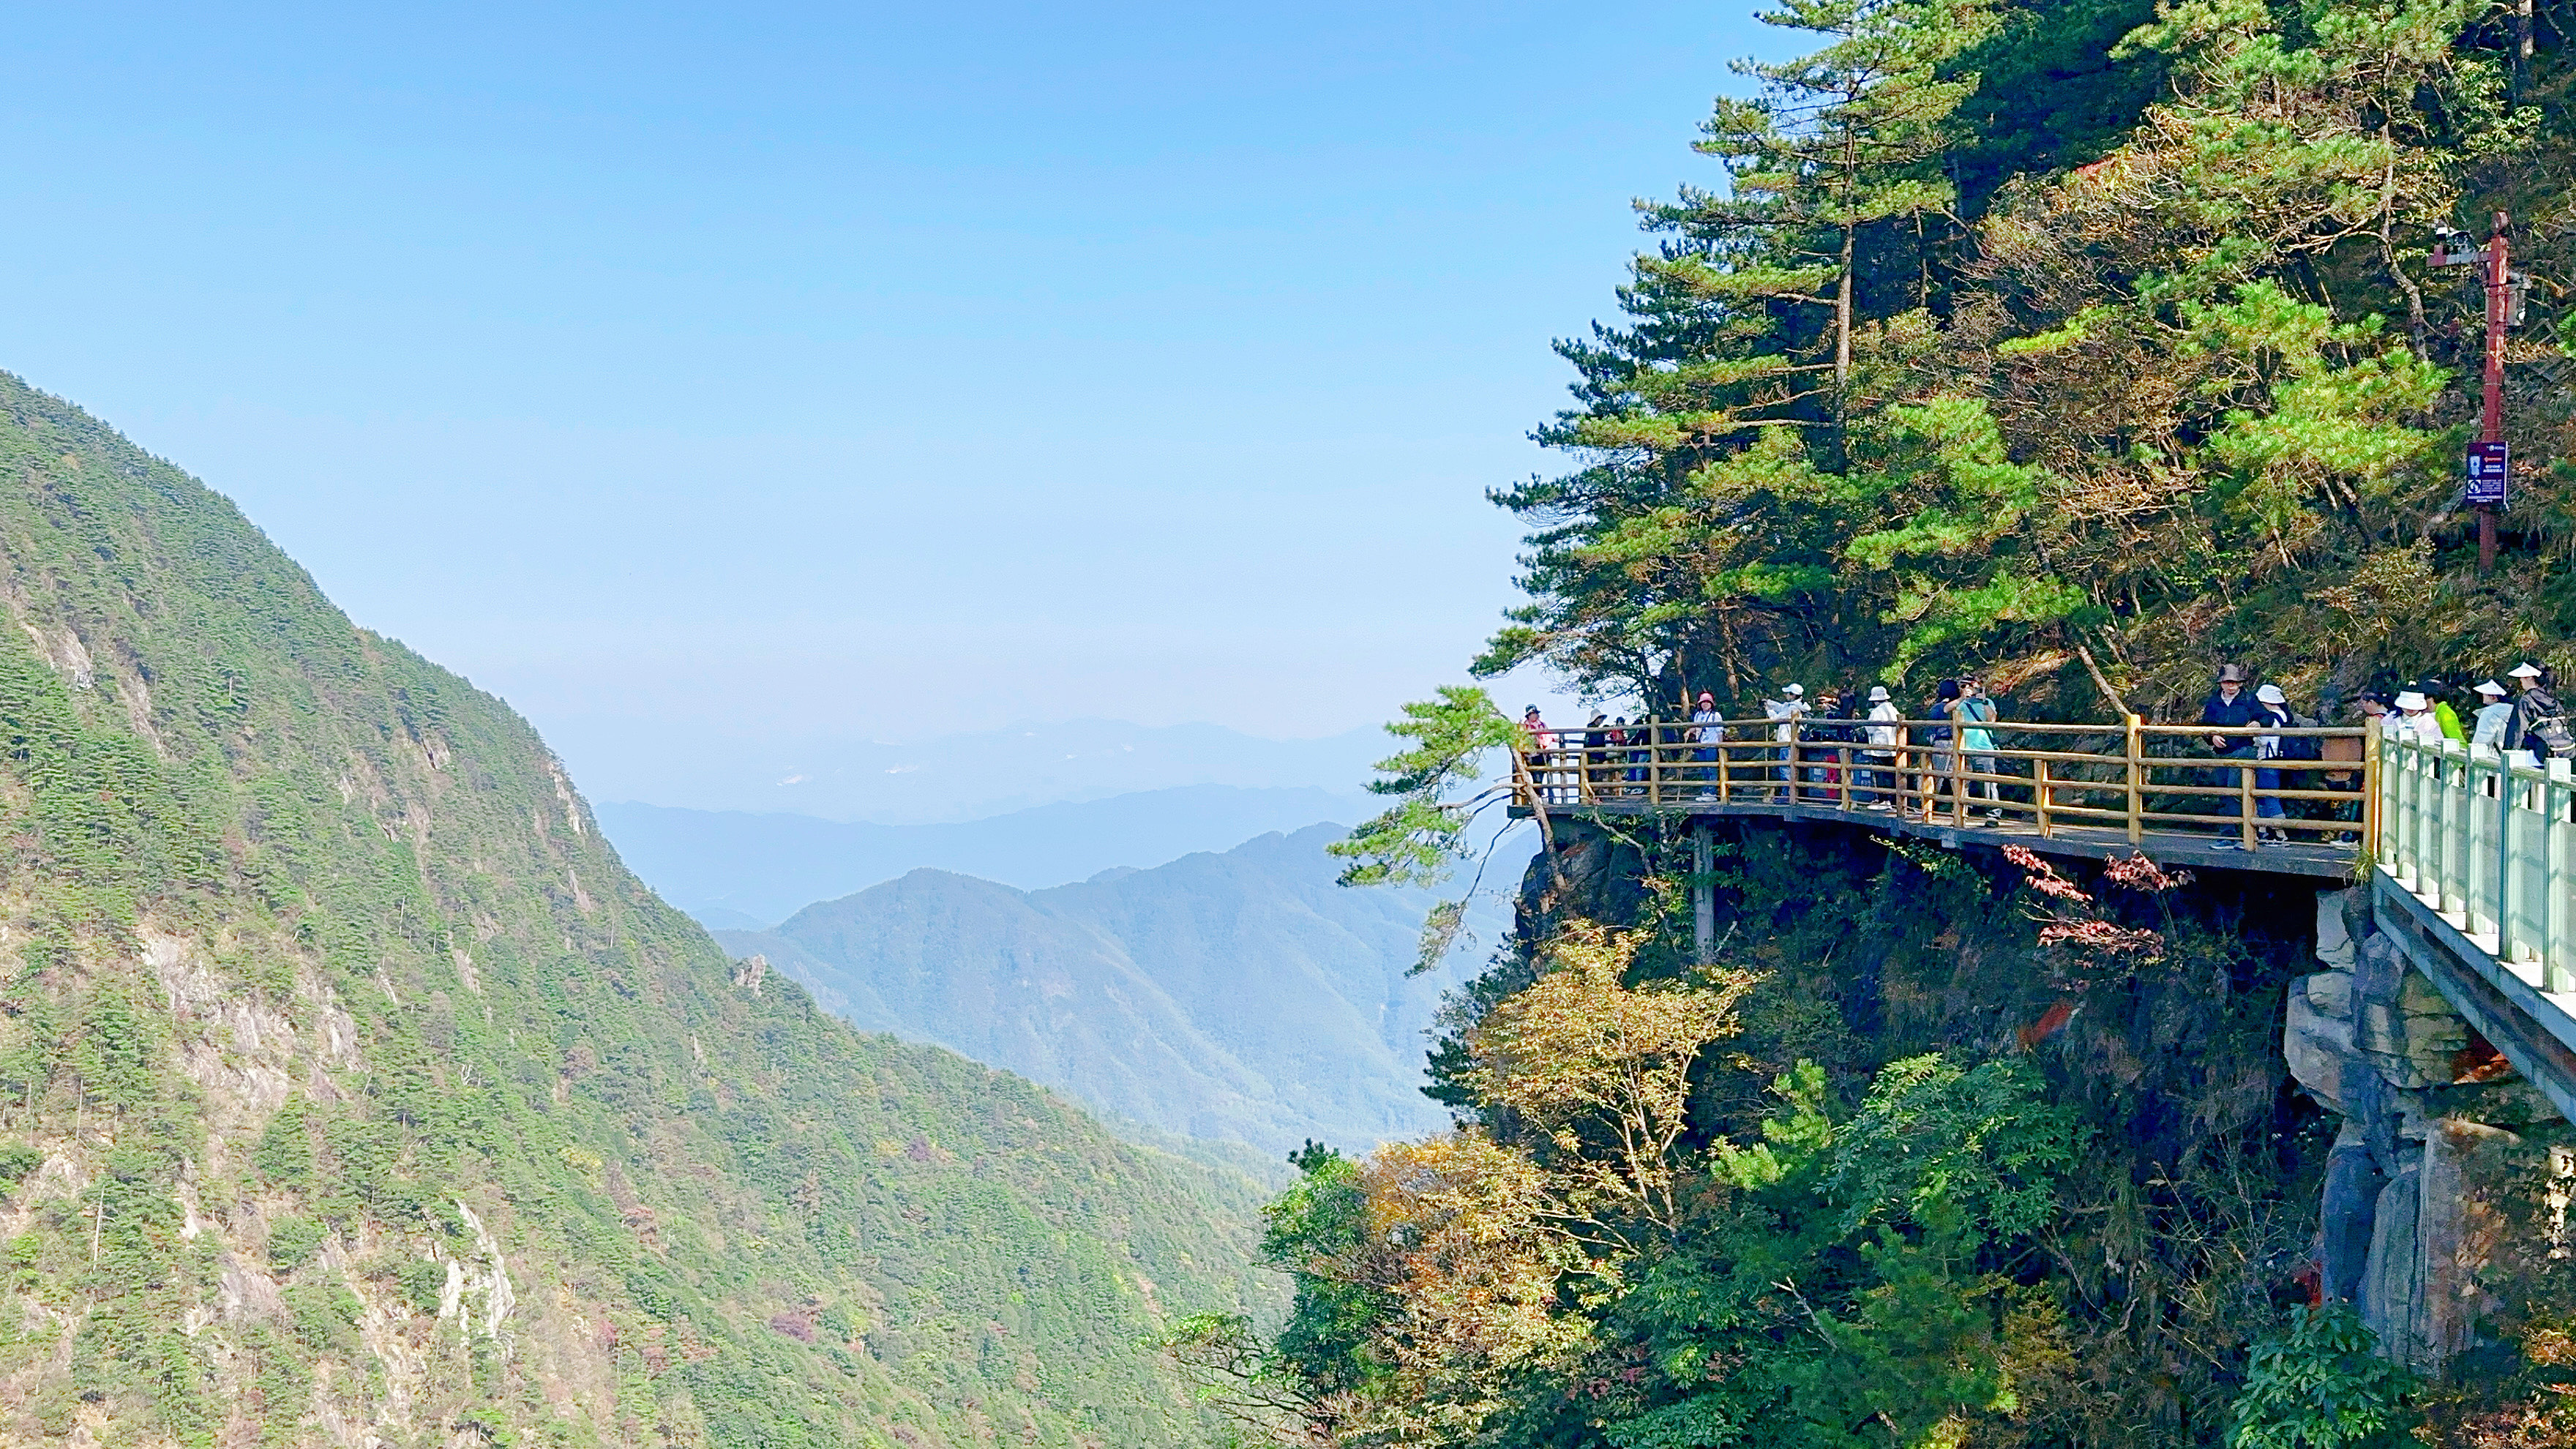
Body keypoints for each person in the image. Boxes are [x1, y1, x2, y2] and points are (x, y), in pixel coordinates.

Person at [2198, 664, 2261, 845]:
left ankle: (2243, 834)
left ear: (2240, 683)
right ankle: (2228, 834)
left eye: (2234, 682)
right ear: (2221, 683)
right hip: (2222, 753)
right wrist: (2212, 736)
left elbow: (2266, 717)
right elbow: (2205, 725)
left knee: (2236, 790)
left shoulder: (2249, 699)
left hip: (2244, 750)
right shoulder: (2213, 702)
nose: (2231, 686)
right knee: (2224, 792)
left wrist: (2257, 722)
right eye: (2227, 682)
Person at [2250, 683, 2294, 843]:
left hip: (2268, 759)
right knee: (2267, 794)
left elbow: (2262, 740)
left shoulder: (2271, 719)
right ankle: (2264, 830)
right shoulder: (2286, 716)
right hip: (2281, 759)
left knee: (2268, 795)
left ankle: (2279, 833)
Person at [1955, 673, 2002, 824]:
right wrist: (1963, 698)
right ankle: (1961, 814)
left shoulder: (1988, 702)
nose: (1967, 689)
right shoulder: (1963, 704)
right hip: (1965, 749)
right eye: (1963, 687)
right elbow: (1948, 712)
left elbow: (1992, 719)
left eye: (1970, 686)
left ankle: (1993, 815)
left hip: (1984, 748)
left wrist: (1983, 701)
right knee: (1964, 783)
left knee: (1988, 782)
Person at [2506, 663, 2574, 759]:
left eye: (2522, 677)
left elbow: (2518, 731)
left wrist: (2510, 754)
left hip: (2537, 756)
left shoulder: (2526, 700)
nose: (2520, 681)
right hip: (2565, 753)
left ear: (2530, 678)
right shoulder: (2551, 696)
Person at [1764, 684, 1808, 802]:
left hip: (1787, 740)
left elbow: (1777, 718)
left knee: (1785, 767)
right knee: (1786, 767)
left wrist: (1769, 711)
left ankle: (1787, 794)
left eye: (1788, 693)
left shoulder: (1792, 708)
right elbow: (1781, 707)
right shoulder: (1793, 706)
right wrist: (1770, 703)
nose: (1785, 695)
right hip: (1788, 740)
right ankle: (1788, 793)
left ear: (1793, 695)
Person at [1862, 685, 1900, 810]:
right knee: (1891, 774)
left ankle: (1883, 800)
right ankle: (1894, 801)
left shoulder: (1877, 712)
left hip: (1879, 747)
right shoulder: (1894, 710)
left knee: (1880, 774)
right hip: (1893, 746)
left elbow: (1869, 729)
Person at [1689, 692, 1725, 801]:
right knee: (1703, 769)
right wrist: (1689, 731)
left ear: (1711, 704)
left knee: (1712, 769)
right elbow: (1696, 728)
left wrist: (1720, 747)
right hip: (1701, 745)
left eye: (1707, 702)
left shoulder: (1716, 716)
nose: (1705, 704)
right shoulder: (1698, 715)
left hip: (1712, 745)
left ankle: (1712, 793)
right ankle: (1705, 792)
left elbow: (1720, 732)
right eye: (1703, 702)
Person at [2471, 680, 2514, 752]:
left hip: (2494, 759)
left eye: (2485, 693)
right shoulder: (2514, 710)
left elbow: (2481, 741)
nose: (2482, 695)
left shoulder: (2489, 714)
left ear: (2494, 697)